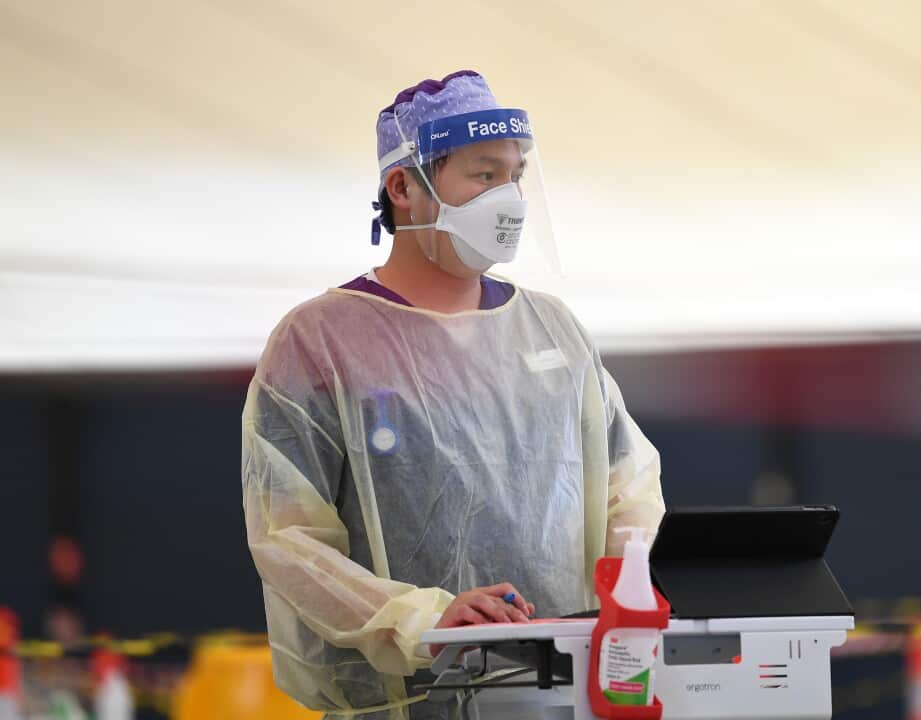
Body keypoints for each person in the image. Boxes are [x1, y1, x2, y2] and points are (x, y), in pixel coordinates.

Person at [241, 70, 666, 719]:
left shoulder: (552, 329)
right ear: (404, 187)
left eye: (515, 175)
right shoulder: (321, 343)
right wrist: (425, 621)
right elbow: (289, 541)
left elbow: (628, 488)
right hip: (404, 701)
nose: (511, 198)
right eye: (483, 175)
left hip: (564, 692)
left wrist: (626, 596)